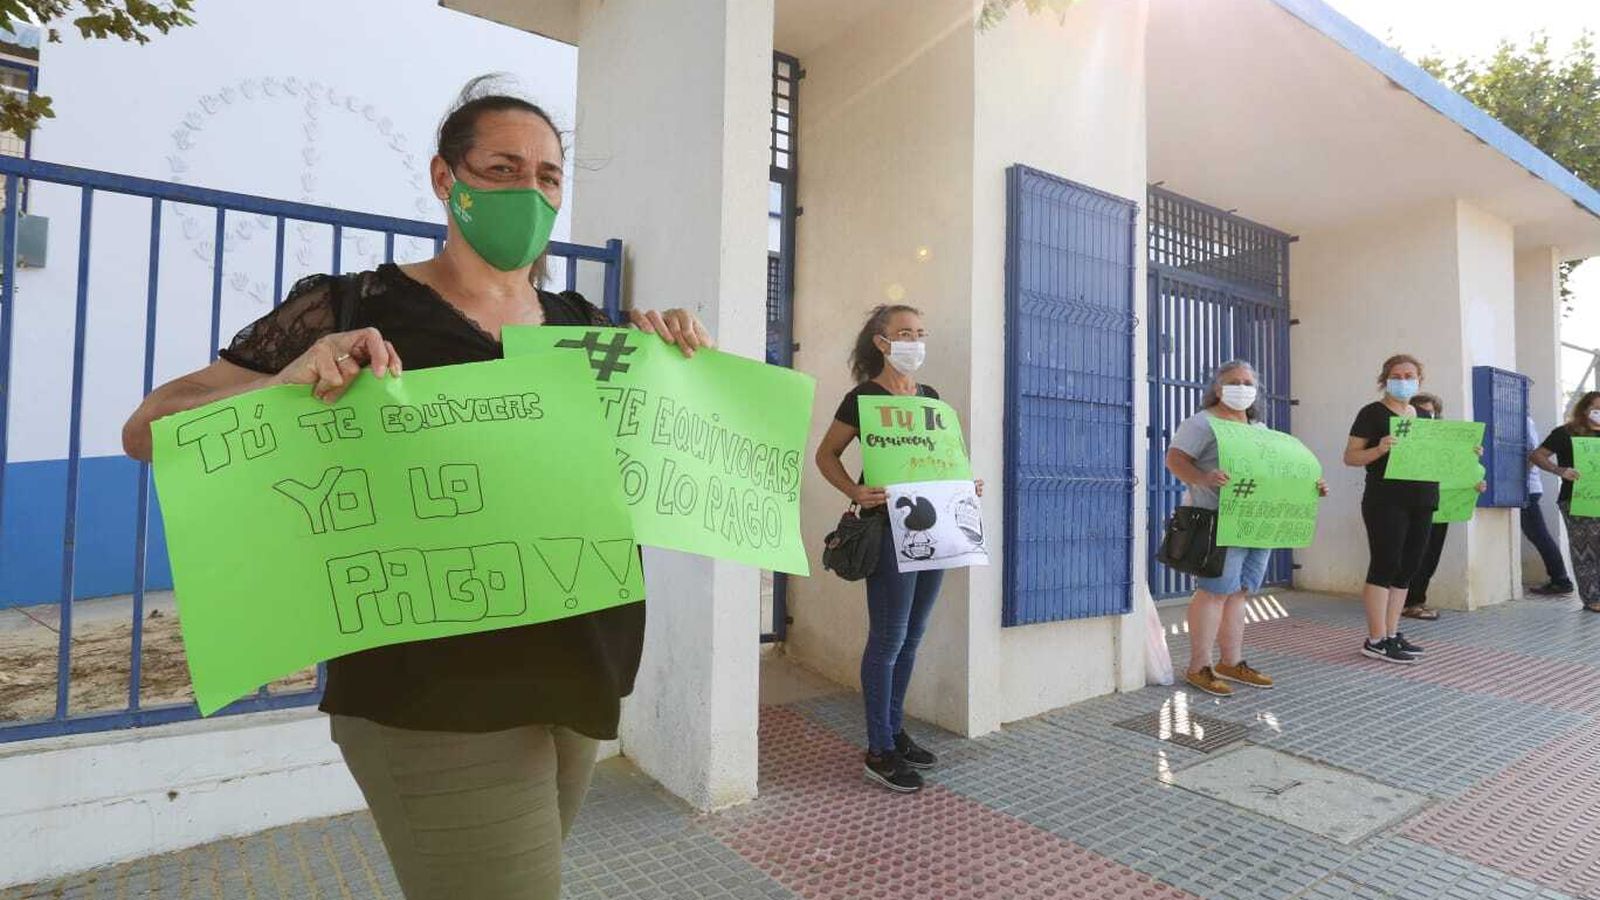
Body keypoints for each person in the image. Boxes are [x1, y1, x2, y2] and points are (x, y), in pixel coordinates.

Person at [121, 77, 712, 900]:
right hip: (435, 691)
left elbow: (644, 471)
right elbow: (148, 429)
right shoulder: (351, 307)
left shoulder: (594, 329)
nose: (529, 191)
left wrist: (677, 369)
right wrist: (289, 382)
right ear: (447, 180)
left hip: (580, 670)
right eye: (502, 169)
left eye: (547, 176)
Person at [815, 304, 982, 794]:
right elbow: (826, 454)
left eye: (920, 333)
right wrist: (852, 490)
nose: (915, 341)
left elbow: (941, 460)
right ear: (881, 343)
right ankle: (878, 748)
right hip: (887, 531)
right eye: (904, 333)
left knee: (912, 637)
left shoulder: (932, 399)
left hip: (934, 532)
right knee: (888, 639)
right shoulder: (862, 398)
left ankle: (893, 730)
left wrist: (966, 488)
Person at [1164, 361, 1328, 697]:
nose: (1241, 387)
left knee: (1239, 592)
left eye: (1247, 382)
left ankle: (1231, 661)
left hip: (1258, 521)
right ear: (1218, 388)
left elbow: (1278, 473)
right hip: (1217, 521)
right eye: (1233, 382)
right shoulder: (1202, 423)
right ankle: (1199, 666)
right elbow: (1175, 459)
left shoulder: (1260, 429)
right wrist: (1202, 478)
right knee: (1213, 591)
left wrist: (1310, 487)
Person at [1344, 354, 1439, 663]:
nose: (1403, 380)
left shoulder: (1424, 416)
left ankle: (1392, 633)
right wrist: (1380, 448)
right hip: (1386, 500)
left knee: (1407, 569)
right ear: (1385, 379)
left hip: (1423, 500)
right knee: (1384, 565)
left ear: (1419, 380)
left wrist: (1465, 453)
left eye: (1409, 375)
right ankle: (1375, 638)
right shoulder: (1372, 413)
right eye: (1396, 375)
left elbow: (1436, 457)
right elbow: (1351, 457)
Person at [1530, 391, 1600, 613]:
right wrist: (1559, 470)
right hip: (1577, 500)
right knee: (1585, 549)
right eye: (1596, 408)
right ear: (1585, 409)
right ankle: (1592, 598)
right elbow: (1537, 455)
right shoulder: (1565, 433)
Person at [1400, 393, 1449, 620]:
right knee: (1410, 555)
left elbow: (1460, 472)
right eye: (1420, 412)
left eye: (1430, 414)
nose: (1425, 417)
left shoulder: (1444, 441)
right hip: (1409, 504)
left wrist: (1471, 461)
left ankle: (1417, 600)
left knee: (1430, 556)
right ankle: (1405, 602)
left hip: (1439, 504)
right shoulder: (1400, 436)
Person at [1524, 413, 1576, 596]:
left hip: (1526, 487)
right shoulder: (1561, 432)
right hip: (1525, 486)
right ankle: (1560, 578)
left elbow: (1531, 454)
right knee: (1538, 534)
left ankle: (1560, 579)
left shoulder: (1523, 421)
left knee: (1539, 534)